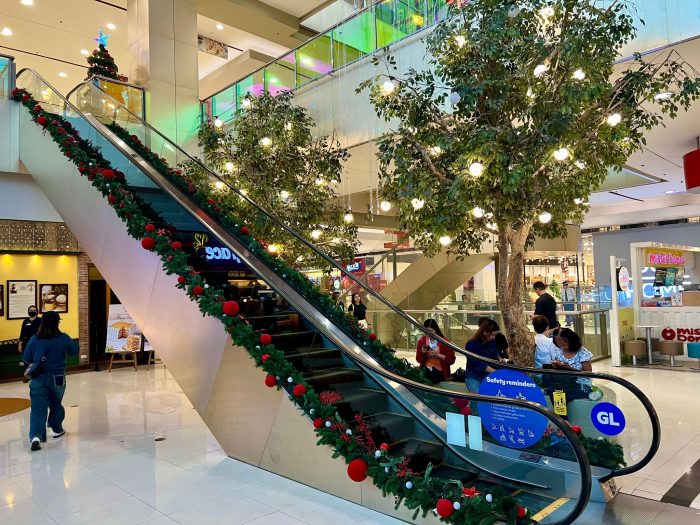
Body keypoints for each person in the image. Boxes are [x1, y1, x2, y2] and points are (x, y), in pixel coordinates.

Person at [21, 311, 79, 451]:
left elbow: (26, 358)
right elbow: (74, 351)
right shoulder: (63, 338)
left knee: (37, 408)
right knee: (56, 404)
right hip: (57, 378)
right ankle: (57, 429)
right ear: (57, 323)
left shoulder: (34, 339)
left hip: (38, 379)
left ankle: (35, 437)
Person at [548, 327, 593, 402]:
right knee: (554, 391)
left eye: (564, 345)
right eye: (559, 345)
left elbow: (589, 374)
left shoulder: (582, 353)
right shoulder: (558, 350)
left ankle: (559, 413)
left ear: (571, 341)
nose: (562, 348)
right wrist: (556, 366)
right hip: (563, 383)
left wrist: (570, 368)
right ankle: (558, 413)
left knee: (560, 395)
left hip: (580, 384)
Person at [465, 319, 501, 393]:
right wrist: (496, 373)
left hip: (487, 376)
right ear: (484, 332)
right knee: (478, 398)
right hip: (474, 377)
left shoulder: (491, 342)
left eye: (495, 335)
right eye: (492, 335)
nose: (494, 337)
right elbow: (479, 364)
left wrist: (499, 359)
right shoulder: (471, 344)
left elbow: (494, 355)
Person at [415, 319, 456, 384]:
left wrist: (438, 355)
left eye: (431, 331)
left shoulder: (444, 341)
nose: (428, 333)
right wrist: (423, 353)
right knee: (425, 375)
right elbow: (419, 360)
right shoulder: (422, 341)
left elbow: (451, 360)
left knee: (434, 377)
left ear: (436, 330)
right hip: (427, 368)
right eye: (426, 331)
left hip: (441, 370)